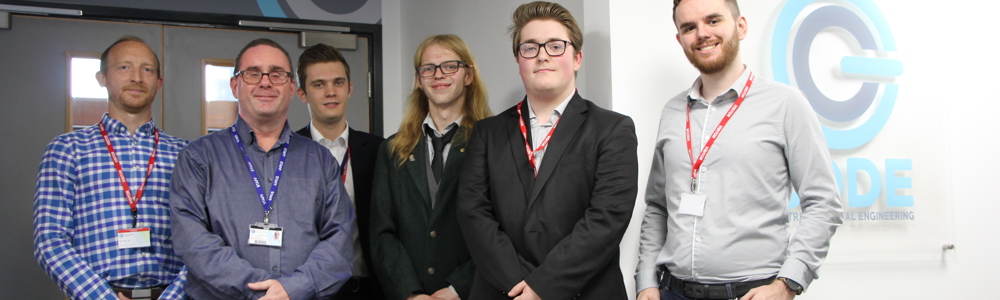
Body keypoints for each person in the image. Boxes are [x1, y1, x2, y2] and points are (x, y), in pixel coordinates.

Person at [635, 0, 844, 299]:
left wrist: (787, 284)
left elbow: (823, 203)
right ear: (680, 39)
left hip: (751, 293)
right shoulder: (672, 111)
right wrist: (646, 281)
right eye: (689, 27)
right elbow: (657, 206)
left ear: (741, 26)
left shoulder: (785, 104)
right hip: (672, 291)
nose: (702, 34)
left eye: (713, 20)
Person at [456, 2, 638, 299]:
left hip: (585, 291)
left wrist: (543, 287)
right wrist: (519, 285)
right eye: (530, 47)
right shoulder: (487, 133)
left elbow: (607, 218)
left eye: (555, 46)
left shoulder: (612, 129)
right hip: (504, 290)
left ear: (577, 57)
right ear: (518, 60)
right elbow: (473, 213)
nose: (542, 55)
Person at [169, 38, 355, 299]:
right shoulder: (198, 157)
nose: (265, 82)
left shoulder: (320, 160)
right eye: (253, 74)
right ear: (235, 85)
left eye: (277, 74)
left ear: (292, 88)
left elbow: (340, 240)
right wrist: (264, 290)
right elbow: (193, 241)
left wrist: (292, 288)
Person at [33, 35, 188, 300]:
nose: (137, 77)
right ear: (102, 78)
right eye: (124, 67)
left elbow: (206, 240)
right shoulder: (67, 150)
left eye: (147, 69)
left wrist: (175, 296)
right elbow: (50, 239)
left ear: (159, 83)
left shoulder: (186, 154)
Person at [370, 34, 490, 300]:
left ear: (468, 76)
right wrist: (410, 293)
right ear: (418, 80)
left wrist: (456, 289)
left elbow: (502, 230)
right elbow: (382, 234)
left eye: (450, 66)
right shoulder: (391, 150)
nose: (438, 74)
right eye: (428, 68)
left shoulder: (493, 145)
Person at [293, 43, 386, 300]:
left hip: (367, 288)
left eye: (338, 82)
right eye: (319, 84)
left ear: (350, 88)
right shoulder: (288, 152)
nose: (331, 92)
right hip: (307, 287)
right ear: (302, 94)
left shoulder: (379, 150)